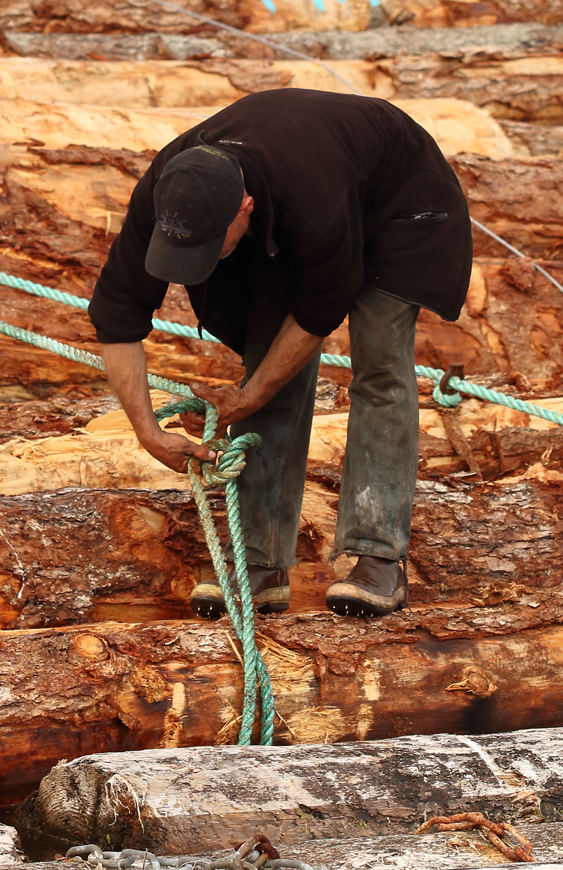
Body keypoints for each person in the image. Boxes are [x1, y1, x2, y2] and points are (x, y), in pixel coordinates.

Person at [88, 88, 472, 619]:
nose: (197, 261)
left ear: (244, 209)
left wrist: (250, 395)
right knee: (269, 360)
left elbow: (318, 315)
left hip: (401, 203)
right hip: (307, 197)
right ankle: (261, 564)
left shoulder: (311, 200)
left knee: (379, 364)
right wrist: (147, 431)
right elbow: (116, 316)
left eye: (210, 246)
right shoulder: (171, 186)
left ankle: (378, 556)